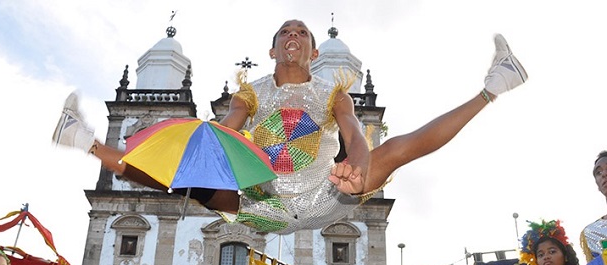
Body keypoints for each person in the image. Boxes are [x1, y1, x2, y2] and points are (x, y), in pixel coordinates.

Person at [53, 22, 527, 234]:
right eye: (286, 33)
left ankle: (494, 86)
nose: (294, 37)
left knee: (397, 150)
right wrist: (201, 146)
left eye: (302, 33)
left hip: (326, 194)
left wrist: (360, 170)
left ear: (314, 52)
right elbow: (226, 134)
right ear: (273, 48)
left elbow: (354, 136)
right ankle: (82, 138)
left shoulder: (333, 90)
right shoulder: (251, 91)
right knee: (183, 175)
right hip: (263, 203)